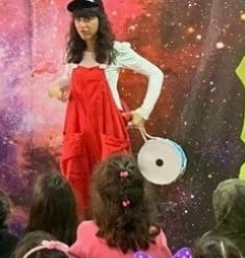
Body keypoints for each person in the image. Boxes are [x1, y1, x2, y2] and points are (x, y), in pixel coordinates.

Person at [49, 0, 163, 216]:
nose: (83, 25)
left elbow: (156, 74)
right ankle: (84, 234)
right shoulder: (72, 53)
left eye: (88, 18)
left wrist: (143, 112)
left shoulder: (115, 51)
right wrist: (56, 86)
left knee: (116, 190)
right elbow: (67, 79)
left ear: (100, 19)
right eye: (78, 19)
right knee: (78, 187)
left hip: (107, 131)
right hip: (78, 132)